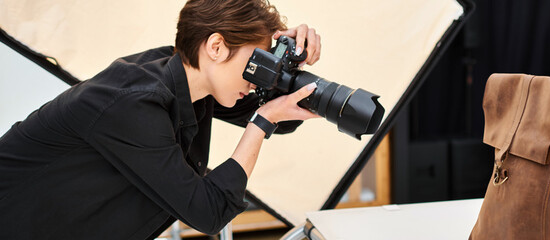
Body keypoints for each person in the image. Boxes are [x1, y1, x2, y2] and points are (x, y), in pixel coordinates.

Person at [0, 0, 321, 239]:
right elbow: (209, 211)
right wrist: (261, 123)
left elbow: (285, 114)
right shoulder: (132, 102)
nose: (257, 79)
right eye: (256, 63)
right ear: (217, 47)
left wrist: (289, 61)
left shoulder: (190, 79)